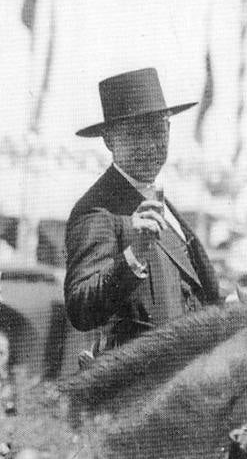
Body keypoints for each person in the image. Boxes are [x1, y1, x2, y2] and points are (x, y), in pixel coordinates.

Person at [64, 68, 221, 350]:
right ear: (110, 140)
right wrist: (133, 256)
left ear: (169, 131)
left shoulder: (163, 203)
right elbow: (80, 308)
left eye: (158, 131)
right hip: (143, 384)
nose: (150, 146)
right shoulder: (97, 211)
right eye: (136, 134)